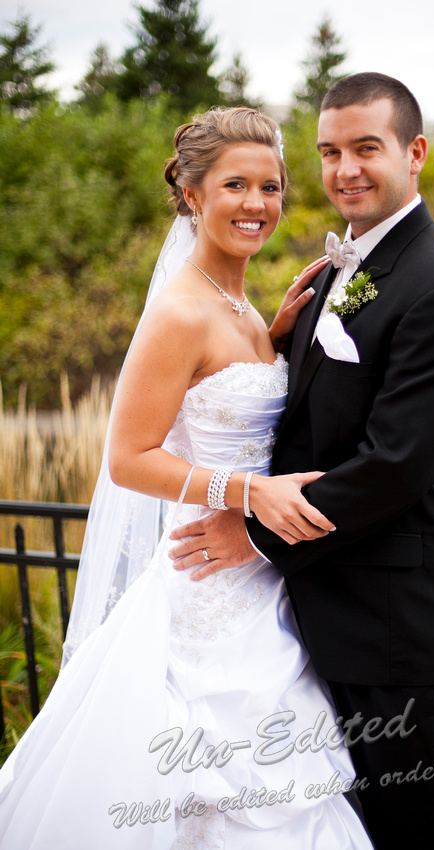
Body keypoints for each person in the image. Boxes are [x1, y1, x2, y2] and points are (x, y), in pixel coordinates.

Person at [0, 107, 374, 850]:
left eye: (269, 186)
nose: (256, 203)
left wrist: (271, 344)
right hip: (202, 584)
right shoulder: (178, 312)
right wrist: (247, 493)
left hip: (262, 582)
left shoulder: (239, 306)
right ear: (192, 194)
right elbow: (129, 458)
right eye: (235, 184)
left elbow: (221, 403)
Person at [169, 74, 434, 849]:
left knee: (421, 827)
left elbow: (394, 464)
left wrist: (250, 531)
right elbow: (319, 416)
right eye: (328, 152)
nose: (344, 169)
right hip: (319, 610)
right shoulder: (333, 277)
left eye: (365, 149)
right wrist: (274, 344)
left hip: (393, 621)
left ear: (413, 153)